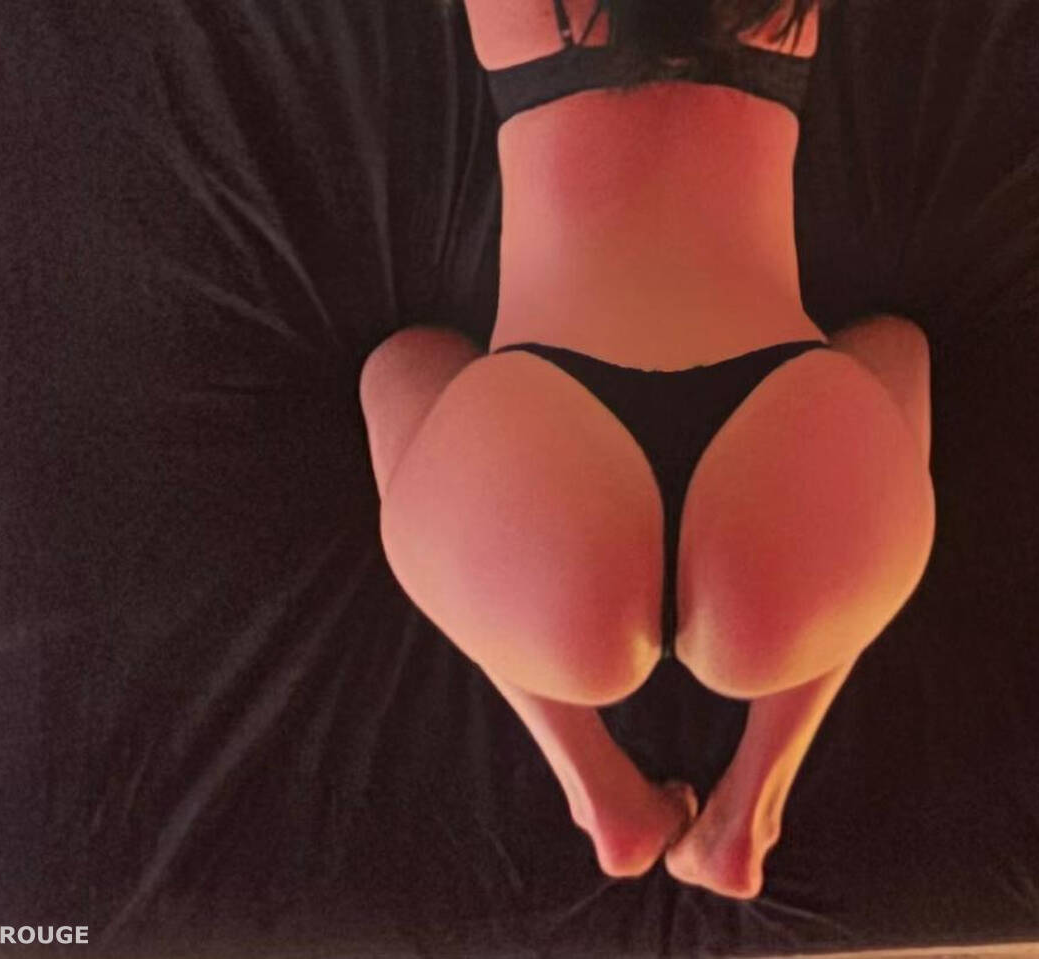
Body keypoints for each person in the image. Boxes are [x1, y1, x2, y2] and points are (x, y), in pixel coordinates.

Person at [359, 0, 935, 900]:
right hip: (786, 488)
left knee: (400, 371)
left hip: (548, 500)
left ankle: (593, 780)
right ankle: (755, 793)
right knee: (895, 355)